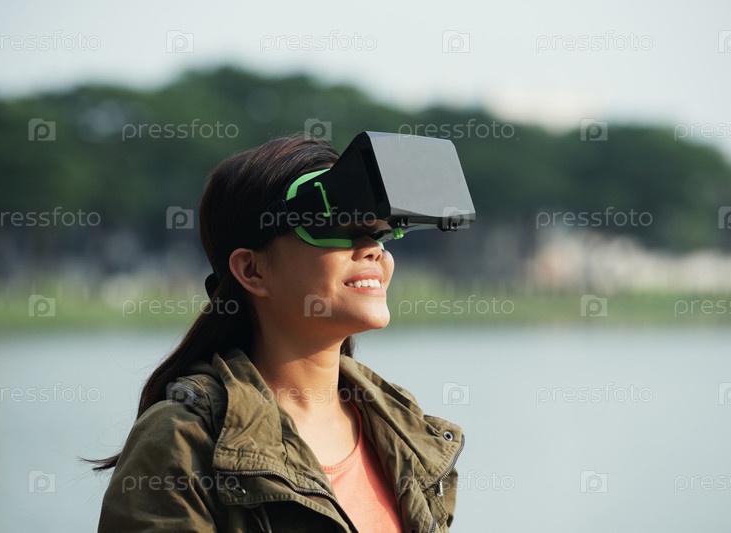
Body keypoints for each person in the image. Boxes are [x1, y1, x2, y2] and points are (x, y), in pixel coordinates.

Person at [95, 134, 464, 533]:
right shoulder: (184, 439)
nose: (373, 250)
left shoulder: (404, 427)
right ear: (252, 270)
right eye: (337, 226)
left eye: (379, 234)